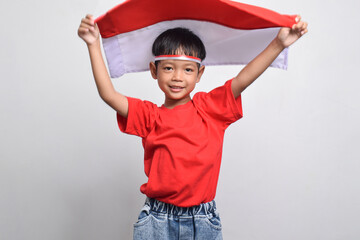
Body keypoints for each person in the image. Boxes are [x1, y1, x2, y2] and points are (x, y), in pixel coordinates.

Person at [78, 14, 308, 240]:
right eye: (168, 68)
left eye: (187, 69)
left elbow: (243, 79)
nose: (177, 77)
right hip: (157, 219)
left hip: (202, 220)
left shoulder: (211, 109)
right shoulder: (149, 116)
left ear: (200, 74)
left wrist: (279, 44)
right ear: (154, 70)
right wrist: (93, 44)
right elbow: (108, 95)